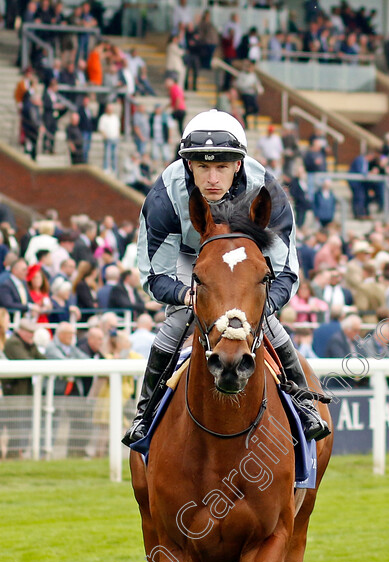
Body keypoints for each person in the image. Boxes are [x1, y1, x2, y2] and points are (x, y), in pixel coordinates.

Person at [123, 109, 330, 445]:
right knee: (177, 322)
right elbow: (154, 274)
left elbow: (286, 272)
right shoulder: (163, 197)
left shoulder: (267, 194)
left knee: (268, 325)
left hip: (244, 262)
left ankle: (304, 404)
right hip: (190, 260)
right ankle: (144, 414)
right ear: (189, 165)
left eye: (221, 167)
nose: (212, 179)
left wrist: (257, 307)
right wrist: (189, 298)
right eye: (203, 167)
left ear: (238, 165)